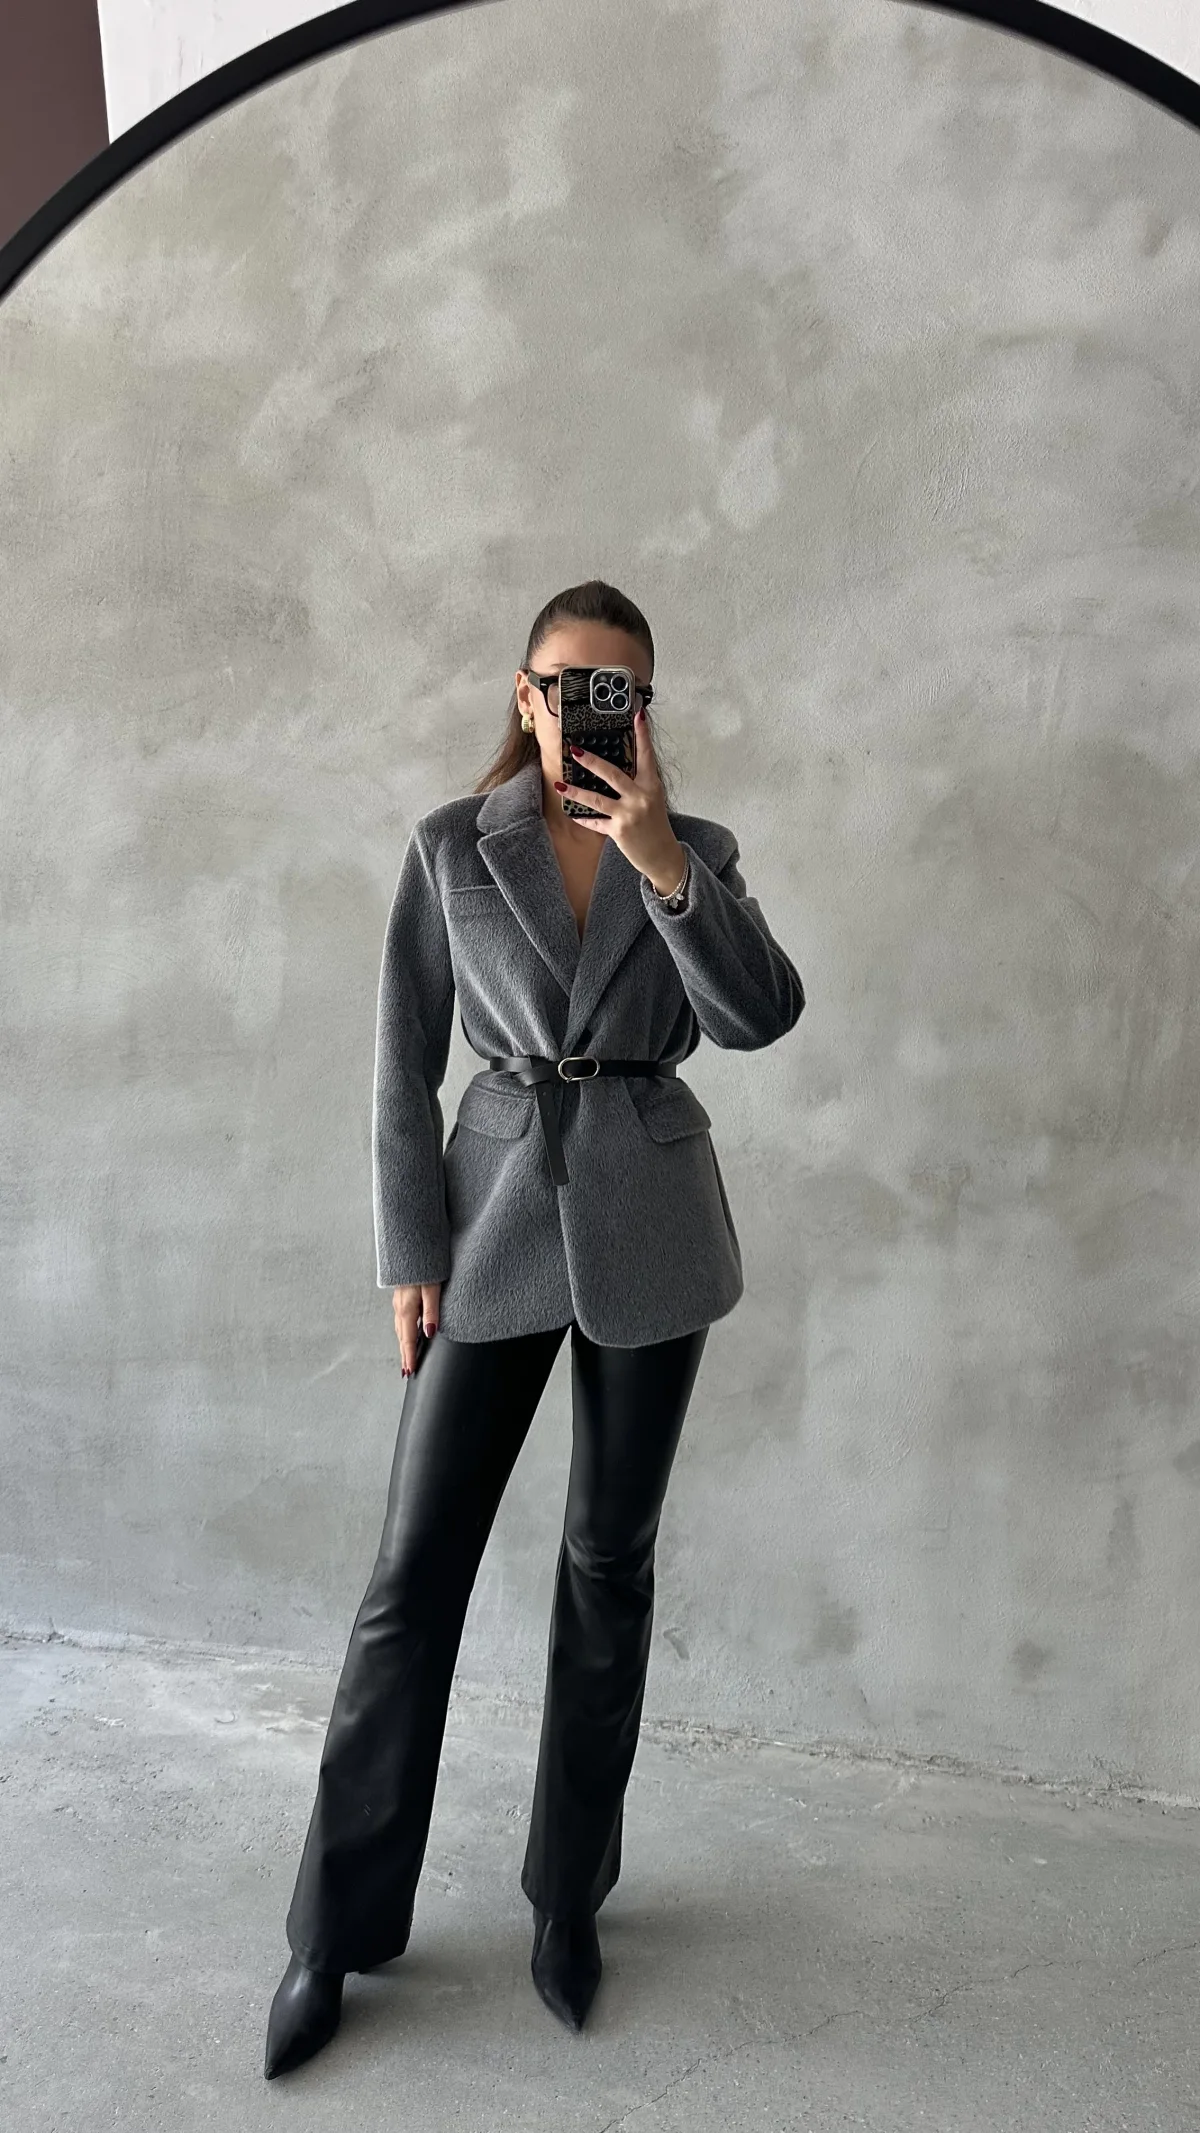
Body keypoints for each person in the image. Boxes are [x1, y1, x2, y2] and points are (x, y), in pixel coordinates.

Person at [264, 579, 805, 2078]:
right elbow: (401, 1061)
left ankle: (570, 1901)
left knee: (607, 1569)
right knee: (409, 1580)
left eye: (619, 688)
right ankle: (333, 1930)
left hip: (653, 1225)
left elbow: (761, 1016)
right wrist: (407, 1250)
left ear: (647, 706)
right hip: (492, 1217)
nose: (589, 709)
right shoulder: (454, 846)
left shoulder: (699, 851)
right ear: (527, 695)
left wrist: (663, 862)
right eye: (567, 685)